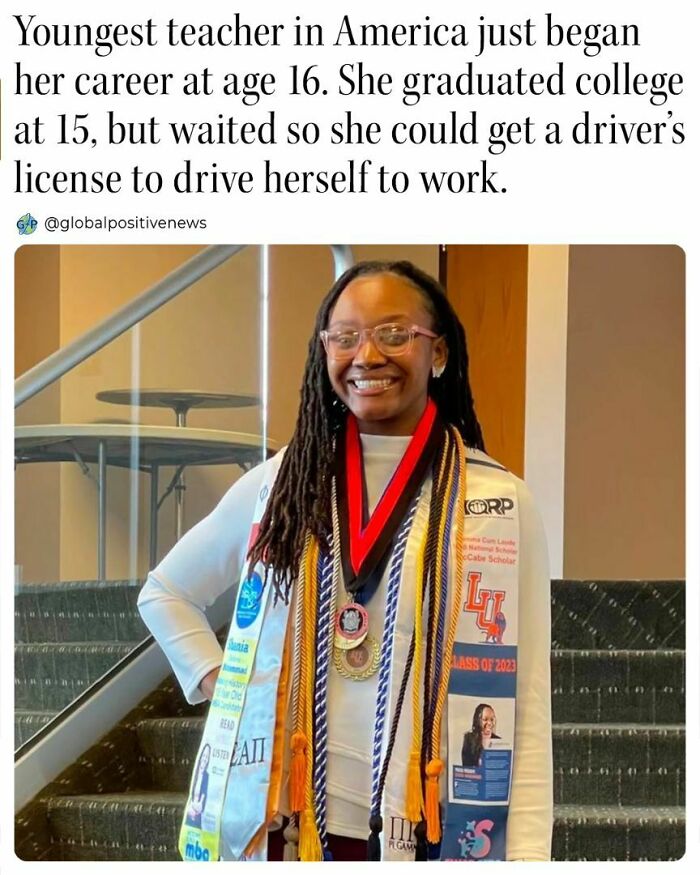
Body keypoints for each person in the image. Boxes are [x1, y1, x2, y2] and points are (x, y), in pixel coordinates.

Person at [138, 260, 553, 862]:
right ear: (324, 351)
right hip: (287, 824)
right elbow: (165, 592)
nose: (367, 355)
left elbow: (527, 698)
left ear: (438, 353)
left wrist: (529, 855)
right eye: (345, 336)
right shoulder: (283, 483)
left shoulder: (497, 501)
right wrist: (230, 684)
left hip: (428, 828)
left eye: (394, 334)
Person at [186, 743, 211, 828]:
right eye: (203, 755)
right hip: (190, 809)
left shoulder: (206, 776)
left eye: (207, 757)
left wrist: (197, 807)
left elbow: (203, 797)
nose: (205, 759)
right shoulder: (194, 772)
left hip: (197, 812)